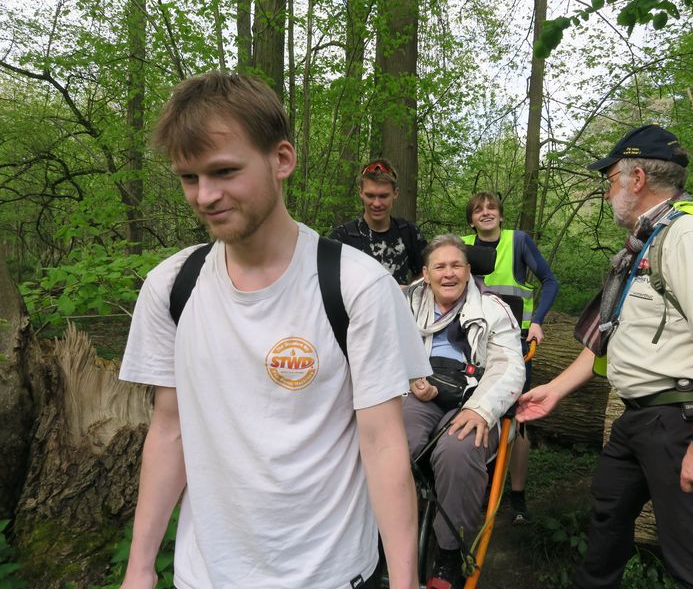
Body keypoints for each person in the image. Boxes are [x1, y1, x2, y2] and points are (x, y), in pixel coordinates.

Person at [118, 71, 431, 589]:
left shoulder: (356, 286)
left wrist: (404, 581)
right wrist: (140, 567)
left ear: (281, 160)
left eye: (224, 171)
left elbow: (383, 444)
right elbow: (169, 429)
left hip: (331, 574)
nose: (205, 196)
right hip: (206, 574)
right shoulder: (171, 287)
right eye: (188, 177)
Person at [517, 124, 693, 588]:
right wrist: (554, 391)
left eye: (610, 181)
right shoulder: (645, 242)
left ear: (637, 178)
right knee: (605, 532)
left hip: (681, 423)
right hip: (636, 423)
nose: (608, 194)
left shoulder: (688, 236)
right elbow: (612, 338)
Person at [403, 234, 525, 589]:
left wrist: (481, 409)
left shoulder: (493, 310)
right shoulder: (407, 303)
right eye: (440, 266)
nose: (449, 273)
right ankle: (386, 535)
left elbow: (508, 366)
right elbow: (383, 346)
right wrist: (411, 377)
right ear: (426, 274)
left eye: (456, 265)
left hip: (472, 395)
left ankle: (448, 554)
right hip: (418, 393)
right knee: (395, 442)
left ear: (469, 270)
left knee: (459, 448)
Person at [462, 192, 560, 523]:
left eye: (491, 209)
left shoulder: (517, 242)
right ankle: (477, 484)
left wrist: (537, 322)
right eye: (479, 210)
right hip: (471, 345)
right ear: (471, 219)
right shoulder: (461, 246)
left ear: (501, 216)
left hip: (514, 346)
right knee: (470, 408)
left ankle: (516, 497)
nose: (486, 213)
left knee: (516, 420)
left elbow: (549, 281)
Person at [329, 159, 427, 285]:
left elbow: (428, 274)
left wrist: (407, 291)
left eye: (383, 196)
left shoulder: (409, 233)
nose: (376, 203)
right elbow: (327, 284)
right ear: (361, 193)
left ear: (395, 193)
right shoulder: (342, 237)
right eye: (370, 196)